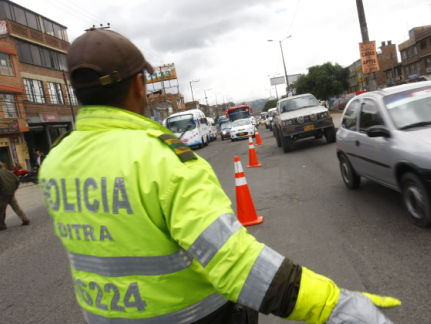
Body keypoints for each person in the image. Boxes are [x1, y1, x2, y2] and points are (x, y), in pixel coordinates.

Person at [38, 29, 400, 324]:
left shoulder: (55, 162)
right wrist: (332, 304)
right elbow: (236, 265)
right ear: (138, 85)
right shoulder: (161, 159)